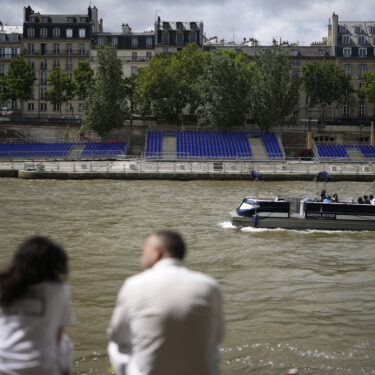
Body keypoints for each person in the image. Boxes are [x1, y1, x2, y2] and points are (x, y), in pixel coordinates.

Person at [108, 230, 225, 375]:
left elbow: (117, 335)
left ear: (156, 252)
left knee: (115, 346)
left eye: (144, 251)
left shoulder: (134, 284)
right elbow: (219, 336)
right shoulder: (210, 286)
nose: (141, 257)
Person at [0, 236, 74, 375]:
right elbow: (59, 333)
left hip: (3, 365)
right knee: (65, 343)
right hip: (41, 367)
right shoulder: (57, 289)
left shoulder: (3, 285)